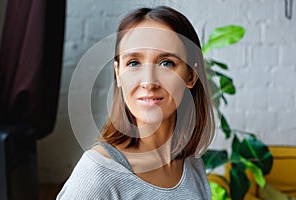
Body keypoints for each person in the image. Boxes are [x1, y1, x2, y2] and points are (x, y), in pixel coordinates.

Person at [57, 6, 215, 200]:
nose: (149, 82)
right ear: (118, 73)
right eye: (133, 63)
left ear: (191, 75)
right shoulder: (98, 174)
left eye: (166, 63)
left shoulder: (191, 164)